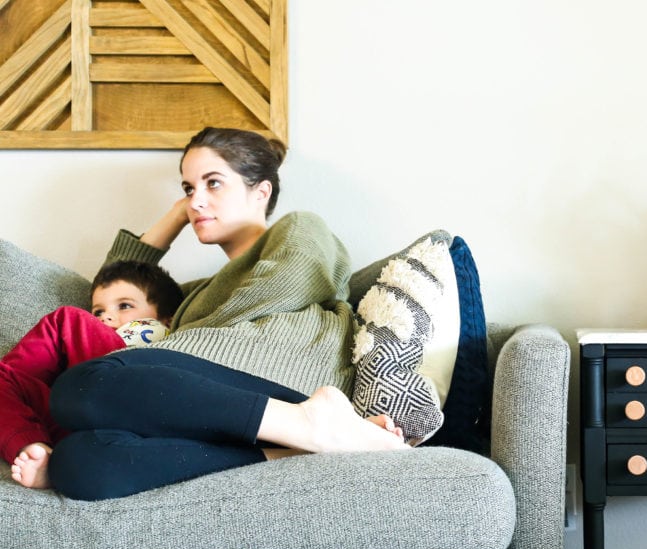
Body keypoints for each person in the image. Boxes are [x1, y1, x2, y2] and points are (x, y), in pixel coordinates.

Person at [44, 127, 406, 502]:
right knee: (78, 462)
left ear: (261, 191)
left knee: (81, 385)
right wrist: (175, 216)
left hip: (279, 380)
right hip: (219, 414)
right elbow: (116, 290)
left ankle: (308, 419)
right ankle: (294, 447)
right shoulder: (196, 295)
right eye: (188, 189)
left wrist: (180, 339)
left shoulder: (297, 229)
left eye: (213, 183)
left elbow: (290, 280)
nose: (196, 201)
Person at [3, 260, 184, 488]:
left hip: (129, 397)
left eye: (125, 306)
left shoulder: (170, 337)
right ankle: (40, 453)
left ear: (167, 318)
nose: (106, 317)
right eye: (98, 311)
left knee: (68, 319)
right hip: (76, 425)